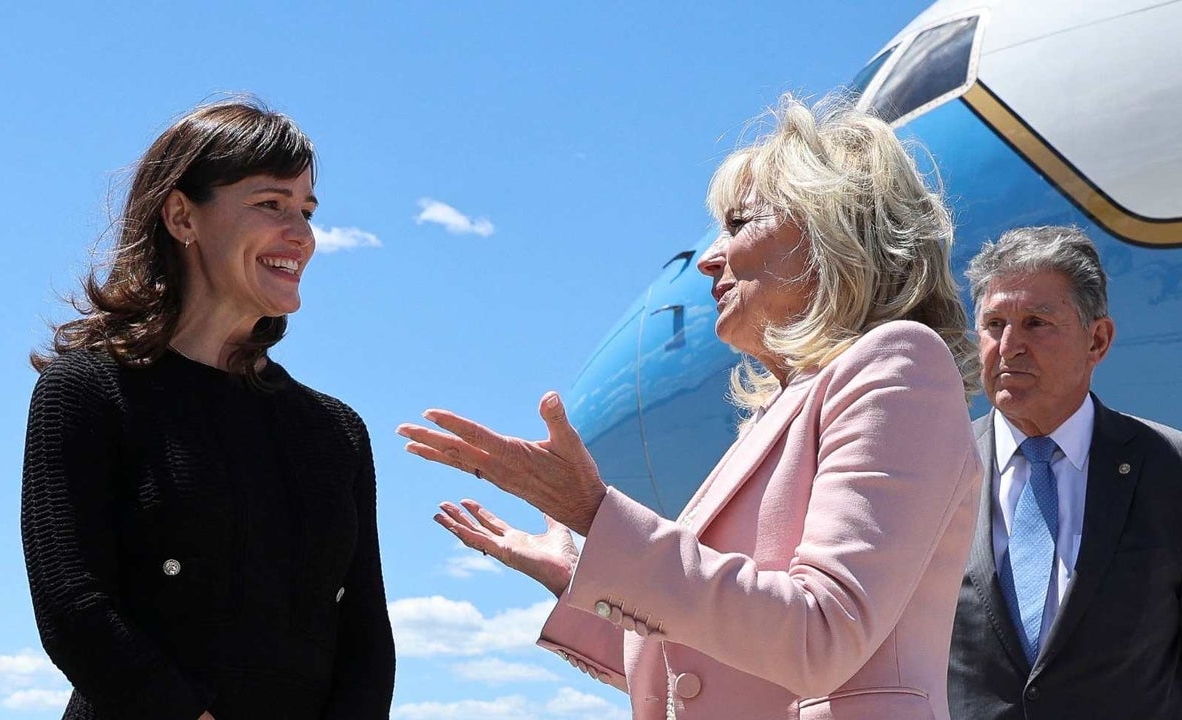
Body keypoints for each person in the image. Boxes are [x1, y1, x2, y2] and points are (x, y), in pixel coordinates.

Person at [397, 95, 982, 719]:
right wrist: (580, 572)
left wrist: (596, 517)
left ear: (828, 232)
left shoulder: (900, 363)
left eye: (738, 224)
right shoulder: (785, 406)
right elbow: (714, 665)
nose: (708, 258)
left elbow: (821, 634)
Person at [21, 99, 395, 720]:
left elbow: (366, 639)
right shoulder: (86, 390)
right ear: (181, 216)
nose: (300, 235)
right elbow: (73, 606)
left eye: (306, 210)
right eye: (271, 204)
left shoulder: (337, 433)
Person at [947, 226, 1182, 719]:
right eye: (993, 324)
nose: (1008, 346)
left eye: (1035, 322)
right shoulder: (937, 467)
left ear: (1097, 340)